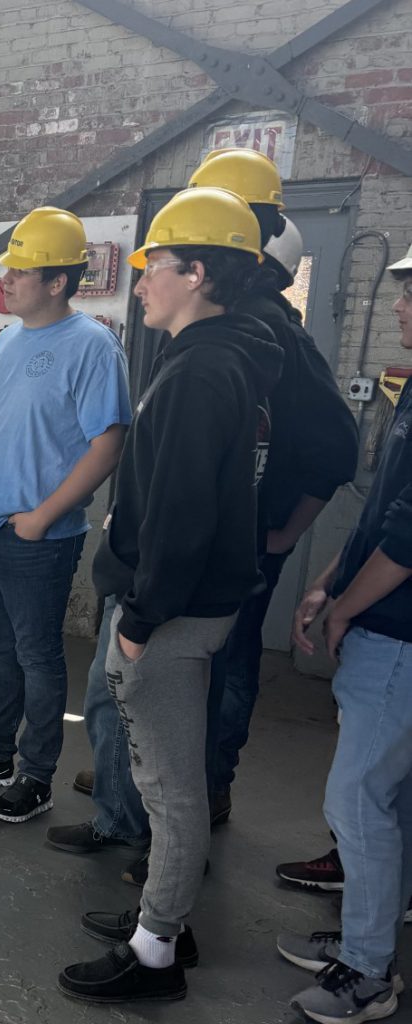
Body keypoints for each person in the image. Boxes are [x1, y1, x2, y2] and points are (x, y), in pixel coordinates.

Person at [55, 151, 358, 889]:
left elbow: (327, 449)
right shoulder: (214, 333)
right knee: (152, 714)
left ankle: (176, 837)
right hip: (190, 560)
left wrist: (276, 533)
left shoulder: (246, 339)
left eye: (163, 257)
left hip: (198, 571)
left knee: (197, 708)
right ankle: (146, 817)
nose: (146, 274)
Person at [58, 187, 282, 1004]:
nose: (141, 280)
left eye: (153, 266)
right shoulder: (219, 357)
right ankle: (162, 915)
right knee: (168, 777)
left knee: (169, 784)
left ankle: (156, 954)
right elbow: (184, 490)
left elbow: (185, 516)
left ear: (196, 272)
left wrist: (141, 620)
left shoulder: (200, 370)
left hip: (173, 614)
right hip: (188, 602)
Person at [0, 206, 132, 824]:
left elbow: (109, 443)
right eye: (8, 269)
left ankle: (35, 774)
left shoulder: (93, 347)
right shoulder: (8, 341)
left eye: (23, 271)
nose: (7, 280)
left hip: (36, 536)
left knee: (38, 654)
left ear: (58, 282)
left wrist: (43, 517)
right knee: (1, 649)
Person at [277, 242, 412, 1024]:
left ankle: (367, 971)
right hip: (381, 624)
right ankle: (366, 940)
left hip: (397, 636)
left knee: (358, 798)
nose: (394, 304)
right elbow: (380, 516)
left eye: (407, 293)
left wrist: (345, 608)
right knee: (380, 795)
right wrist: (328, 577)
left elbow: (409, 539)